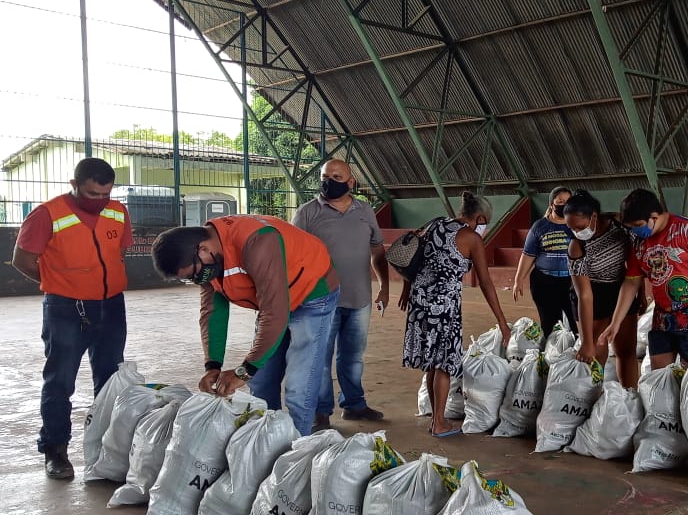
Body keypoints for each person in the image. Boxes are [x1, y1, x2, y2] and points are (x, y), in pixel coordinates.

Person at [151, 215, 340, 436]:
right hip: (274, 298)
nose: (196, 279)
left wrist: (244, 370)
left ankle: (297, 452)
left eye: (193, 273)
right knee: (260, 384)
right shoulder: (210, 261)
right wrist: (212, 365)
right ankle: (268, 441)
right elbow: (213, 312)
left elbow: (274, 314)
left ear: (202, 249)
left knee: (299, 385)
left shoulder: (257, 242)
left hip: (312, 293)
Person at [12, 157, 132, 480]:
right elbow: (21, 259)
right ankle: (55, 450)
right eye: (92, 194)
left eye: (105, 194)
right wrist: (57, 283)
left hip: (111, 306)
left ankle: (108, 449)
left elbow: (117, 252)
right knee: (60, 380)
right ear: (74, 185)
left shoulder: (118, 211)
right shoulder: (47, 214)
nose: (99, 202)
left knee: (110, 380)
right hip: (66, 309)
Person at [401, 191, 511, 438]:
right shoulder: (471, 238)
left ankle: (435, 417)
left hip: (420, 301)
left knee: (432, 362)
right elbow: (485, 283)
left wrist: (408, 288)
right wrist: (502, 322)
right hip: (444, 307)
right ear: (480, 217)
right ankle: (439, 422)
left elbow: (411, 254)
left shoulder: (435, 224)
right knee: (444, 363)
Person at [290, 159, 390, 430]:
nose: (329, 181)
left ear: (350, 182)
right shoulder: (307, 213)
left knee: (353, 357)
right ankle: (321, 412)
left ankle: (354, 405)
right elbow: (293, 257)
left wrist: (384, 287)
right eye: (325, 176)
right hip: (320, 302)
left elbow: (377, 251)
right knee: (320, 359)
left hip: (359, 299)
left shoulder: (365, 211)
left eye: (336, 176)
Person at [598, 189, 688, 369]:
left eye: (638, 225)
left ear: (654, 216)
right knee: (659, 374)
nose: (635, 230)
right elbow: (632, 282)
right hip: (662, 318)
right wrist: (616, 322)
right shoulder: (639, 241)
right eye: (631, 227)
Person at [563, 190, 640, 388]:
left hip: (622, 289)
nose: (577, 232)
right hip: (592, 293)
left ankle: (629, 396)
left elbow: (636, 260)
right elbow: (585, 295)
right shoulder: (576, 245)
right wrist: (586, 342)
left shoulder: (621, 225)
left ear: (594, 217)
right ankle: (596, 400)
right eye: (571, 228)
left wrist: (641, 293)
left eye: (580, 227)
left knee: (626, 351)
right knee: (596, 352)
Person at [512, 186, 577, 340]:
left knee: (576, 325)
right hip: (545, 283)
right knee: (550, 325)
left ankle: (574, 359)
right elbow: (528, 255)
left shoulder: (575, 225)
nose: (564, 205)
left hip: (572, 282)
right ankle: (552, 358)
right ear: (552, 204)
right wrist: (518, 279)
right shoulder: (540, 226)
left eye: (568, 202)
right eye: (560, 202)